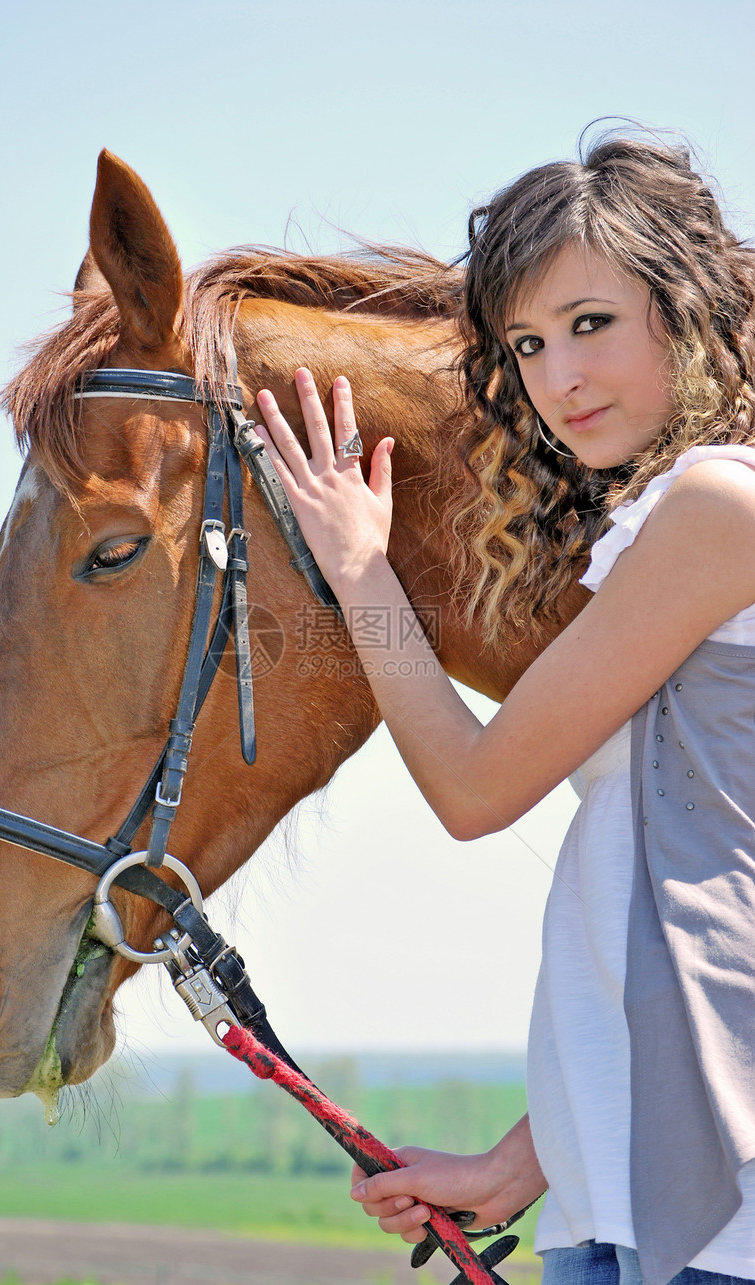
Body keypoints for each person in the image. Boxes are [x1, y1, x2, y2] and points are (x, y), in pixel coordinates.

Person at [254, 131, 755, 1285]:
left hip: (707, 1214)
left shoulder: (715, 509)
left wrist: (361, 572)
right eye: (527, 344)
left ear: (687, 310)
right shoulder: (667, 531)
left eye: (590, 323)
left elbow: (475, 792)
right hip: (620, 1188)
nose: (557, 377)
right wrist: (520, 1162)